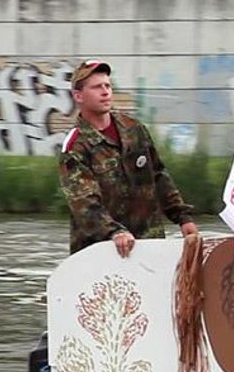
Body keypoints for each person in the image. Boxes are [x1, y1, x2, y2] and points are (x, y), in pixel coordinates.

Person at [59, 60, 198, 257]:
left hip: (149, 243)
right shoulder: (76, 146)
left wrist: (183, 217)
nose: (105, 92)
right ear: (78, 95)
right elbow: (85, 204)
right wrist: (115, 231)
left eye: (107, 85)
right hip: (101, 251)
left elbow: (159, 176)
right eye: (97, 87)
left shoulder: (133, 128)